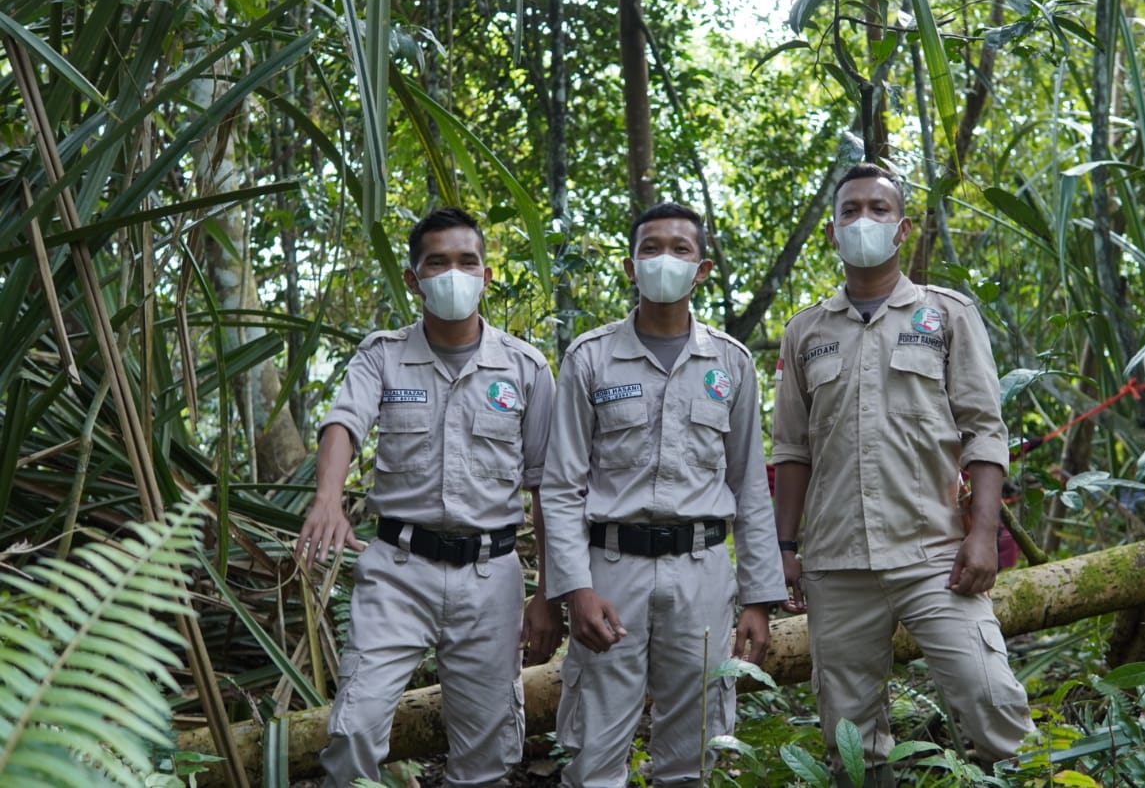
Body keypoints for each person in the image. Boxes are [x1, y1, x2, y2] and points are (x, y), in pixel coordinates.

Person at [772, 164, 1033, 787]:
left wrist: (982, 537)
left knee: (991, 697)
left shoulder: (946, 315)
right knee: (851, 740)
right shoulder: (806, 332)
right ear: (833, 233)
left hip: (934, 552)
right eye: (851, 211)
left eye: (879, 209)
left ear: (903, 227)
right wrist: (784, 549)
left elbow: (984, 432)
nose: (864, 220)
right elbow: (790, 452)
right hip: (836, 561)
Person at [295, 206, 563, 788]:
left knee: (489, 751)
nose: (453, 274)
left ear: (486, 276)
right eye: (437, 262)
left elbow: (548, 484)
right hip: (398, 570)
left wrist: (548, 592)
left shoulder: (524, 367)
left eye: (467, 262)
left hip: (491, 577)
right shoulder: (383, 355)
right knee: (355, 729)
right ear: (414, 279)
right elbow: (344, 423)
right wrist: (328, 498)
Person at [540, 202, 787, 786]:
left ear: (701, 270)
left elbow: (750, 484)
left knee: (694, 749)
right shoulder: (589, 358)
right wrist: (574, 589)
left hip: (702, 573)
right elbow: (560, 486)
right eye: (651, 248)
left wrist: (757, 599)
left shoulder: (730, 363)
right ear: (630, 267)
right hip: (611, 572)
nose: (664, 260)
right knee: (593, 751)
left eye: (680, 249)